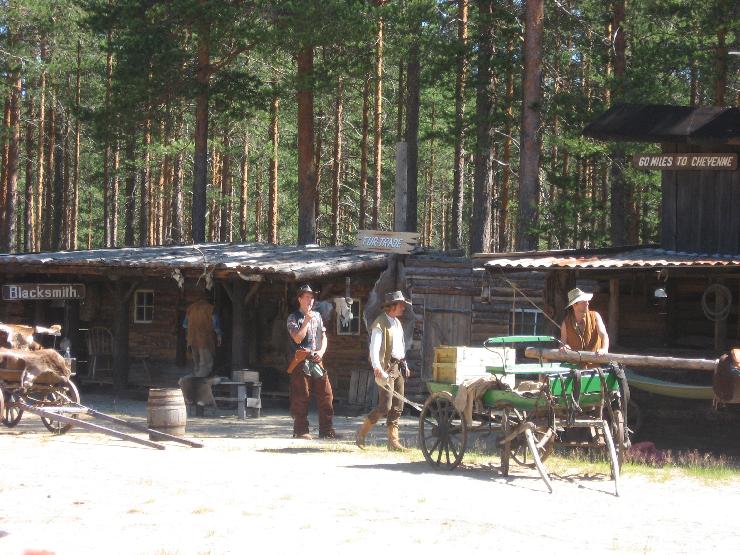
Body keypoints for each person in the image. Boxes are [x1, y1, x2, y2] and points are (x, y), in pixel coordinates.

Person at [355, 290, 411, 451]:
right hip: (386, 367)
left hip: (398, 367)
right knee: (385, 405)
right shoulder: (380, 323)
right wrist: (377, 367)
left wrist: (405, 364)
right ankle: (361, 432)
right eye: (401, 305)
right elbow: (374, 348)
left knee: (398, 405)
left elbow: (400, 347)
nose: (403, 307)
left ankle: (393, 442)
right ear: (392, 306)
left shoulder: (397, 323)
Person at [286, 284, 338, 440]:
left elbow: (324, 337)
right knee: (302, 395)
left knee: (326, 395)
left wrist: (321, 352)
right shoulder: (293, 317)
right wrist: (306, 321)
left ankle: (327, 431)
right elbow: (298, 338)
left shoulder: (317, 316)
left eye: (312, 297)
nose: (310, 300)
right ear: (300, 299)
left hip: (316, 358)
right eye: (307, 297)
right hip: (301, 359)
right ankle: (301, 431)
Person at [183, 290, 222, 378]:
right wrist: (219, 335)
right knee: (205, 363)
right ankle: (201, 382)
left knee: (196, 363)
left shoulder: (190, 308)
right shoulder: (211, 309)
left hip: (192, 339)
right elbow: (216, 324)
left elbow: (185, 325)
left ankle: (196, 378)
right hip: (205, 339)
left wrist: (188, 336)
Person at [559, 287, 609, 355]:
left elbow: (604, 335)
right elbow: (562, 343)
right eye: (584, 301)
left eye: (587, 301)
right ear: (574, 305)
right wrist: (564, 347)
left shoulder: (595, 316)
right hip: (575, 361)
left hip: (594, 360)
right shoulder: (566, 323)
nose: (587, 303)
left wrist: (604, 349)